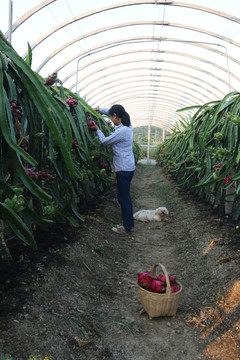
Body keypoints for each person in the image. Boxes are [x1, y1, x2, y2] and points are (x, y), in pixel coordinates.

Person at [90, 104, 135, 234]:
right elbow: (113, 112)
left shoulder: (122, 131)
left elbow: (104, 141)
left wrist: (98, 129)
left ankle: (126, 227)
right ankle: (129, 224)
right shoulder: (127, 125)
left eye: (111, 116)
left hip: (123, 168)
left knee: (123, 198)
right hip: (127, 167)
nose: (110, 118)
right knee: (125, 196)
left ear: (116, 116)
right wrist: (100, 110)